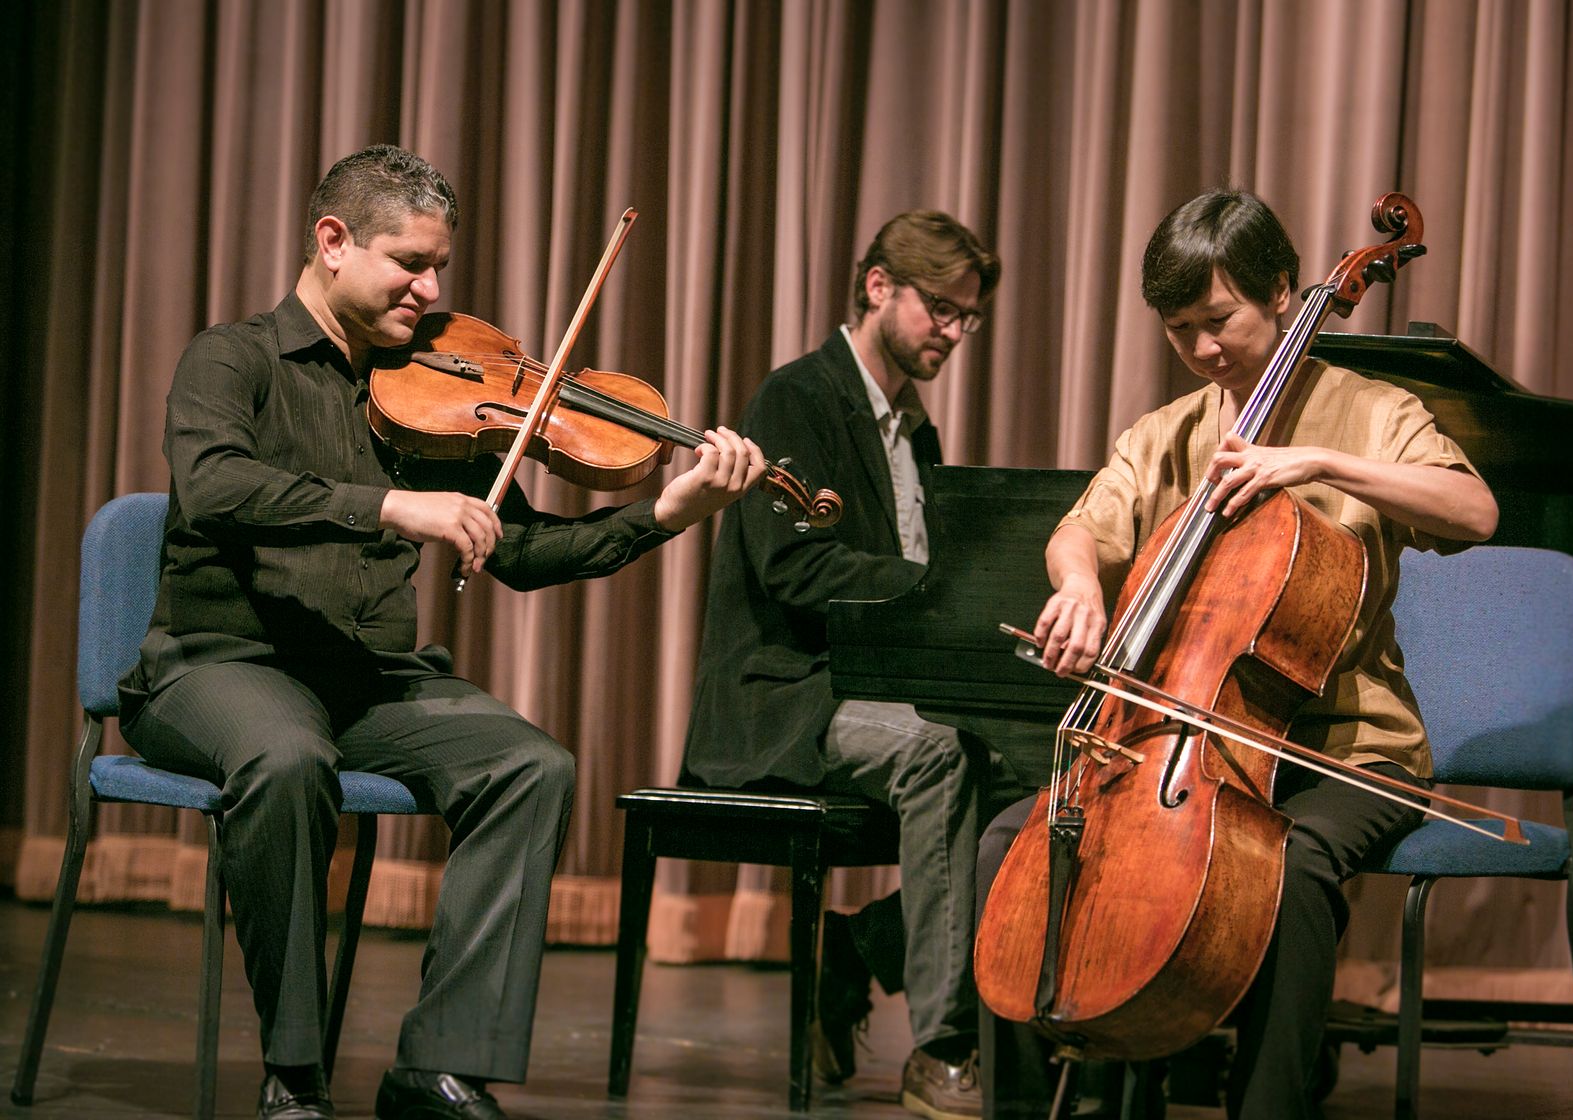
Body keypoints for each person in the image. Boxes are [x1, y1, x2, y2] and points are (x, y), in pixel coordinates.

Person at [117, 144, 766, 1120]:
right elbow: (214, 486)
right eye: (409, 263)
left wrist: (666, 514)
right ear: (333, 241)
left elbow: (525, 551)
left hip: (368, 679)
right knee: (288, 759)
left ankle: (436, 1064)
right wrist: (389, 506)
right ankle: (295, 1069)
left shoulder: (425, 391)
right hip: (219, 665)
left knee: (529, 765)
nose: (430, 291)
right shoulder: (233, 357)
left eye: (439, 268)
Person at [977, 188, 1499, 1120]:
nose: (1202, 348)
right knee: (1011, 843)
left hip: (1346, 749)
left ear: (1284, 292)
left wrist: (1321, 464)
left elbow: (1476, 511)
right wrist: (1080, 586)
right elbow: (1081, 530)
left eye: (1219, 320)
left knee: (1291, 870)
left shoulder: (1372, 411)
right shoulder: (1166, 432)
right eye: (1180, 329)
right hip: (1177, 746)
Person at [681, 210, 1004, 1120]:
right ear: (878, 287)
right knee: (942, 753)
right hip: (786, 693)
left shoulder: (915, 429)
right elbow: (793, 568)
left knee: (1042, 763)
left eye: (968, 317)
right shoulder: (796, 398)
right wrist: (934, 587)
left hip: (877, 686)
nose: (954, 331)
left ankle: (862, 947)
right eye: (941, 308)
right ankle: (941, 1048)